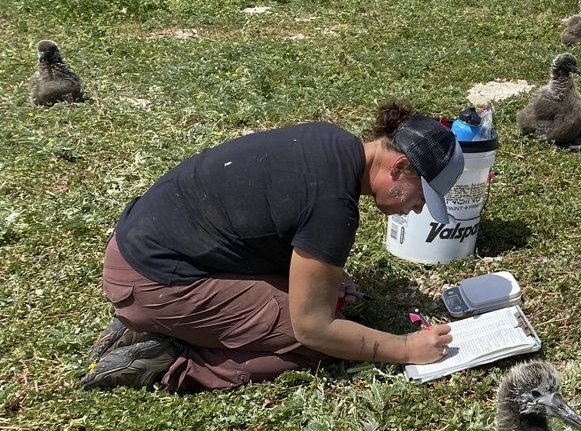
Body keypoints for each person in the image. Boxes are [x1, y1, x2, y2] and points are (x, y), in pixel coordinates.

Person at [80, 101, 463, 390]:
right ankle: (172, 357)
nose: (416, 209)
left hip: (136, 250)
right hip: (153, 281)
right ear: (397, 168)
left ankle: (156, 320)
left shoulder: (331, 141)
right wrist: (407, 348)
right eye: (421, 197)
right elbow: (314, 328)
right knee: (320, 342)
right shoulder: (332, 206)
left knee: (329, 296)